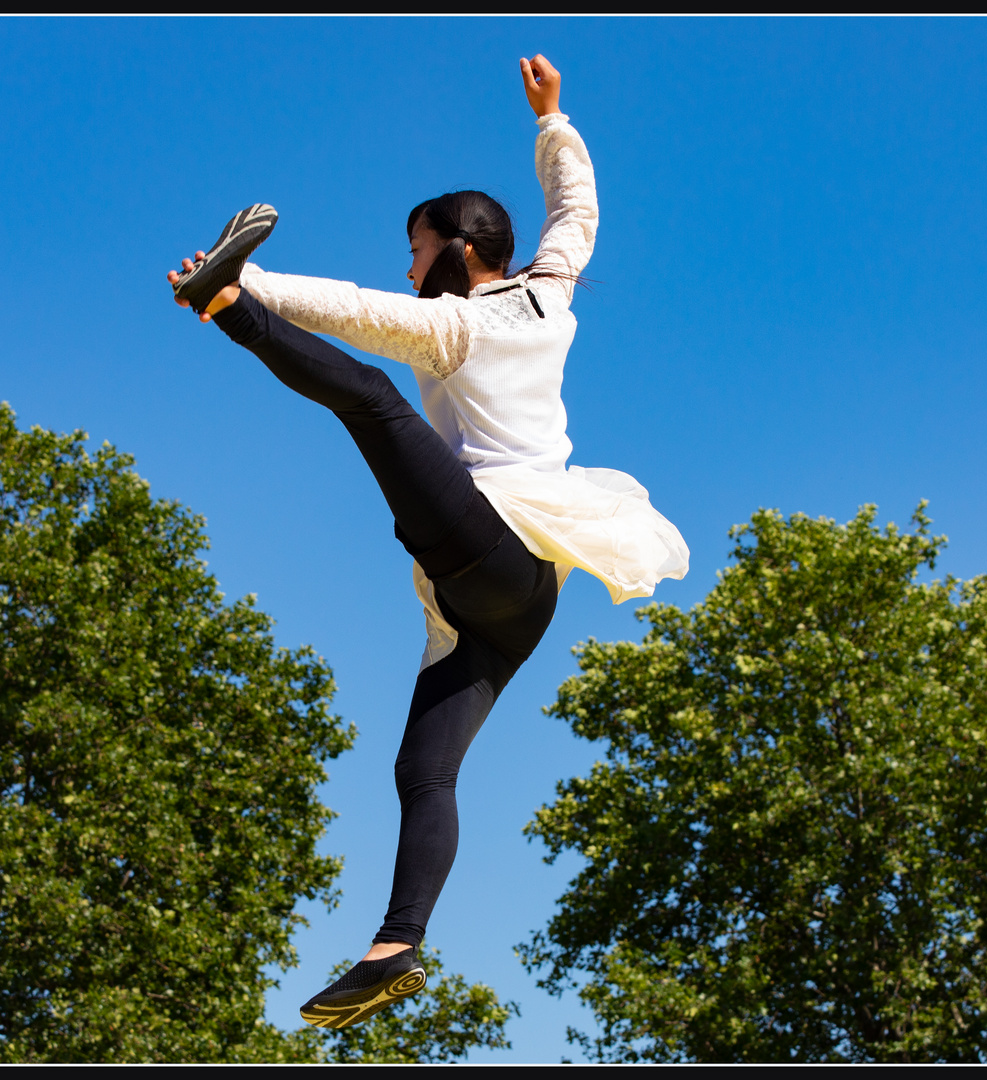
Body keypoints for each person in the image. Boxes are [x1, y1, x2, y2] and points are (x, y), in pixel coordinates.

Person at [168, 54, 687, 1030]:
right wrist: (553, 121)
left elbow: (366, 318)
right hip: (510, 603)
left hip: (493, 549)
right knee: (422, 770)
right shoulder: (552, 293)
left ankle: (224, 306)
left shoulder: (456, 327)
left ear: (456, 248)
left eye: (415, 247)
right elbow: (576, 212)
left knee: (369, 402)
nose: (408, 264)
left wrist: (243, 282)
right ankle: (396, 946)